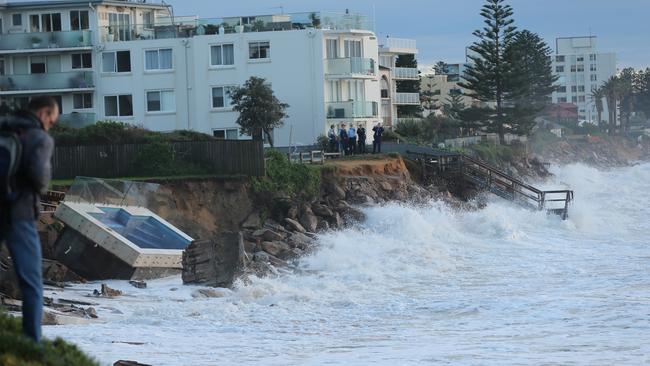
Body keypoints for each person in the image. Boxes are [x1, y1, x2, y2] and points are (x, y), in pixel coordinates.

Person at [0, 96, 57, 342]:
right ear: (44, 113)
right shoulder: (39, 138)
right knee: (32, 284)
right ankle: (33, 347)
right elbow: (40, 180)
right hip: (18, 213)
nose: (50, 126)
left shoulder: (3, 126)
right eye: (52, 121)